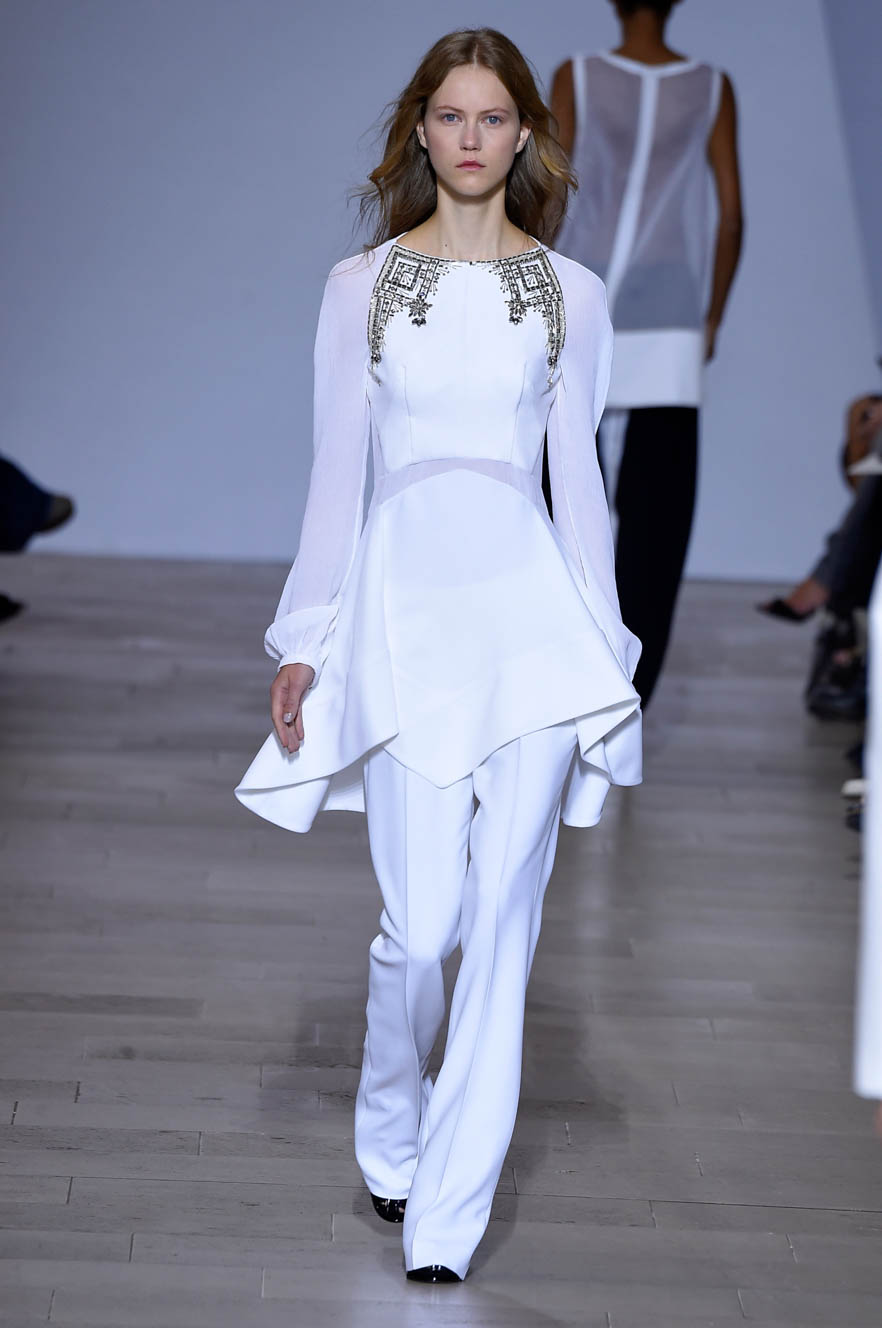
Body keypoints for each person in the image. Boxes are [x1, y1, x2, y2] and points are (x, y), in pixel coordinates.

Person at [236, 28, 642, 1282]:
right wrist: (305, 638)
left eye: (494, 116)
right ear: (421, 129)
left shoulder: (573, 296)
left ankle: (448, 1222)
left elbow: (581, 487)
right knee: (421, 931)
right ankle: (391, 1122)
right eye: (451, 115)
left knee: (502, 929)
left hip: (531, 632)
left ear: (525, 136)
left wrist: (609, 651)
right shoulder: (360, 286)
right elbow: (336, 476)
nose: (472, 137)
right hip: (406, 617)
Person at [551, 0, 744, 706]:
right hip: (671, 301)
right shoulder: (712, 87)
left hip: (584, 294)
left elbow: (549, 192)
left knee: (562, 498)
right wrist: (712, 316)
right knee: (658, 520)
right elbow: (731, 215)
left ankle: (565, 683)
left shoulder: (577, 75)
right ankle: (629, 696)